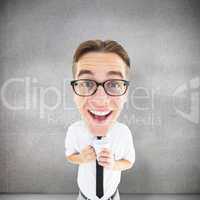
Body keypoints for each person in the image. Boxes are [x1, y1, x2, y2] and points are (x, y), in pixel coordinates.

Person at [65, 39, 135, 200]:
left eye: (115, 84)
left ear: (126, 94)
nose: (100, 99)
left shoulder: (123, 132)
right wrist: (81, 158)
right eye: (86, 83)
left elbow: (129, 161)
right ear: (74, 93)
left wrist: (113, 165)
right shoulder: (74, 130)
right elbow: (69, 156)